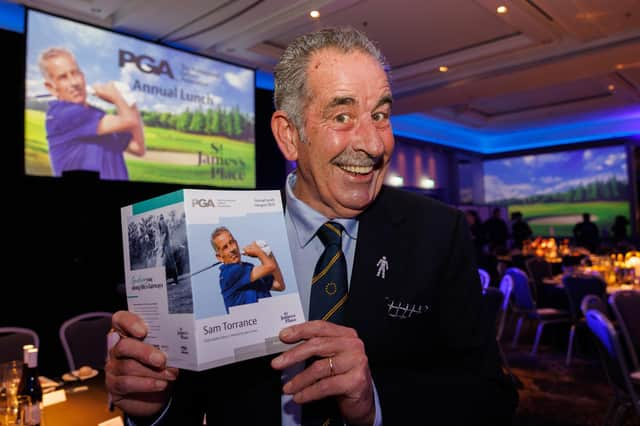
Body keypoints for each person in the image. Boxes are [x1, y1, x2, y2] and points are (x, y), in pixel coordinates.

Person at [106, 27, 518, 425]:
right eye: (342, 115)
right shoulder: (221, 230)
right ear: (289, 136)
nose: (374, 144)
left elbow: (490, 396)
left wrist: (373, 402)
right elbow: (191, 405)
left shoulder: (437, 232)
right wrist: (151, 404)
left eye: (380, 115)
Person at [39, 47, 145, 180]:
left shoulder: (97, 115)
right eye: (63, 77)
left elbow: (138, 148)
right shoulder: (63, 114)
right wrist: (118, 98)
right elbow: (129, 121)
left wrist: (131, 102)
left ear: (83, 76)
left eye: (75, 73)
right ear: (51, 87)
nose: (74, 82)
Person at [211, 226, 285, 313]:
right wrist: (258, 252)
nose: (232, 249)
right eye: (225, 247)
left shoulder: (248, 268)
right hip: (251, 325)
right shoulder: (229, 273)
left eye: (232, 242)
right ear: (219, 257)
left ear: (236, 243)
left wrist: (269, 254)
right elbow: (270, 267)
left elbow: (279, 285)